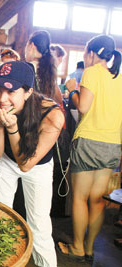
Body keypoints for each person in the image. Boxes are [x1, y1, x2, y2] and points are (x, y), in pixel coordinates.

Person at [0, 61, 64, 267]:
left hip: (36, 165)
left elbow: (26, 165)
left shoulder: (52, 115)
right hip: (5, 160)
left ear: (28, 92)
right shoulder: (0, 105)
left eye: (11, 91)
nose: (3, 98)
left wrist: (11, 127)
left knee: (38, 225)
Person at [57, 35, 122, 263]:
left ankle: (76, 248)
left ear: (93, 53)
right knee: (97, 200)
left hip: (89, 144)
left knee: (80, 198)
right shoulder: (120, 78)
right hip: (112, 145)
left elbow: (83, 107)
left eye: (86, 53)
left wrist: (72, 89)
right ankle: (90, 248)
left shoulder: (92, 72)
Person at [25, 30, 62, 104]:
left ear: (32, 45)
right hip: (45, 112)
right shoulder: (50, 68)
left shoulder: (27, 68)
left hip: (29, 113)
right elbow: (58, 99)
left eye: (26, 45)